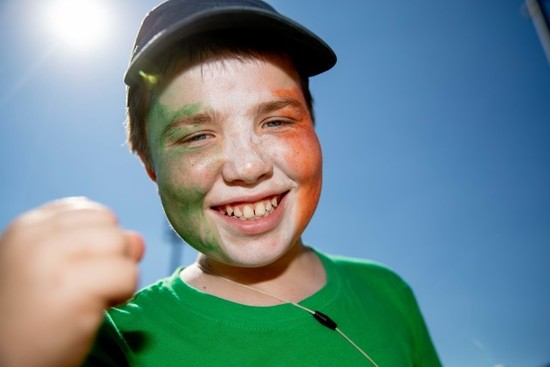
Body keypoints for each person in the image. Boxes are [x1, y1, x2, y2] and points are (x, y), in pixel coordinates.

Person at [0, 1, 441, 366]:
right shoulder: (111, 346)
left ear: (313, 124)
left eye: (276, 121)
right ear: (150, 164)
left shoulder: (388, 293)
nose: (247, 167)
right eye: (197, 136)